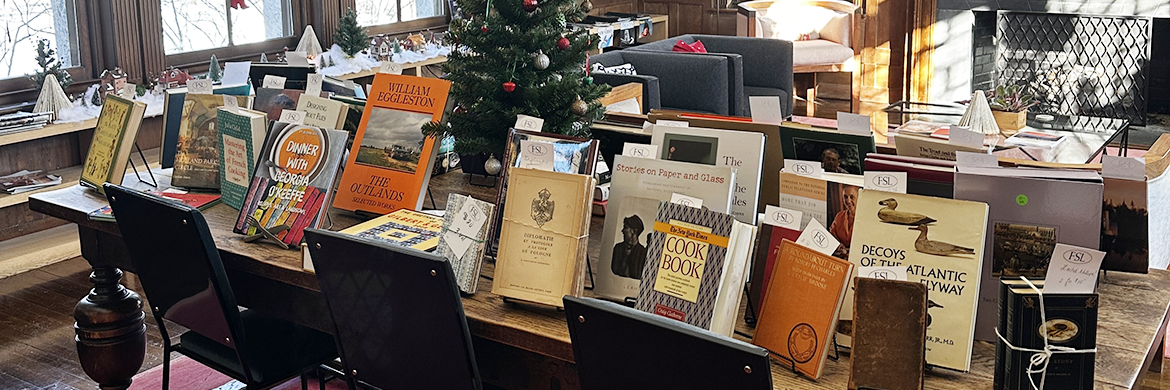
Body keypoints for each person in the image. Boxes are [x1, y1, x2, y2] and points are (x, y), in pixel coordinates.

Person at [829, 185, 859, 257]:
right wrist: (838, 245)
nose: (848, 201)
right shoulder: (839, 216)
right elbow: (831, 237)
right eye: (845, 197)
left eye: (852, 197)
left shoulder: (866, 220)